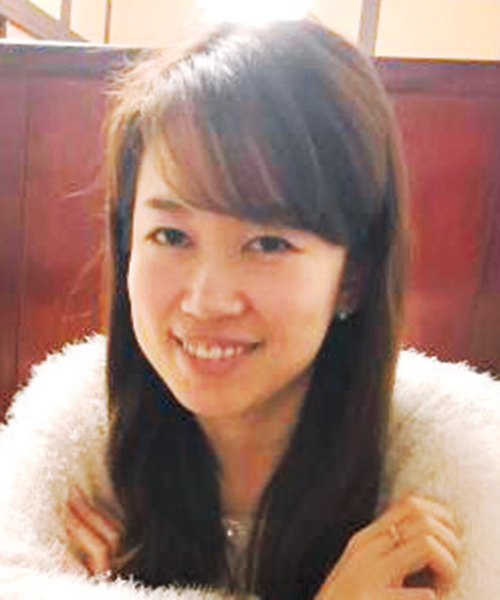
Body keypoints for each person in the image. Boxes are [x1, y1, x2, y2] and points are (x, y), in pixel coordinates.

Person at [0, 18, 499, 600]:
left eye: (268, 243)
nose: (206, 300)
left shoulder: (453, 465)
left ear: (353, 278)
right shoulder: (73, 433)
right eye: (171, 235)